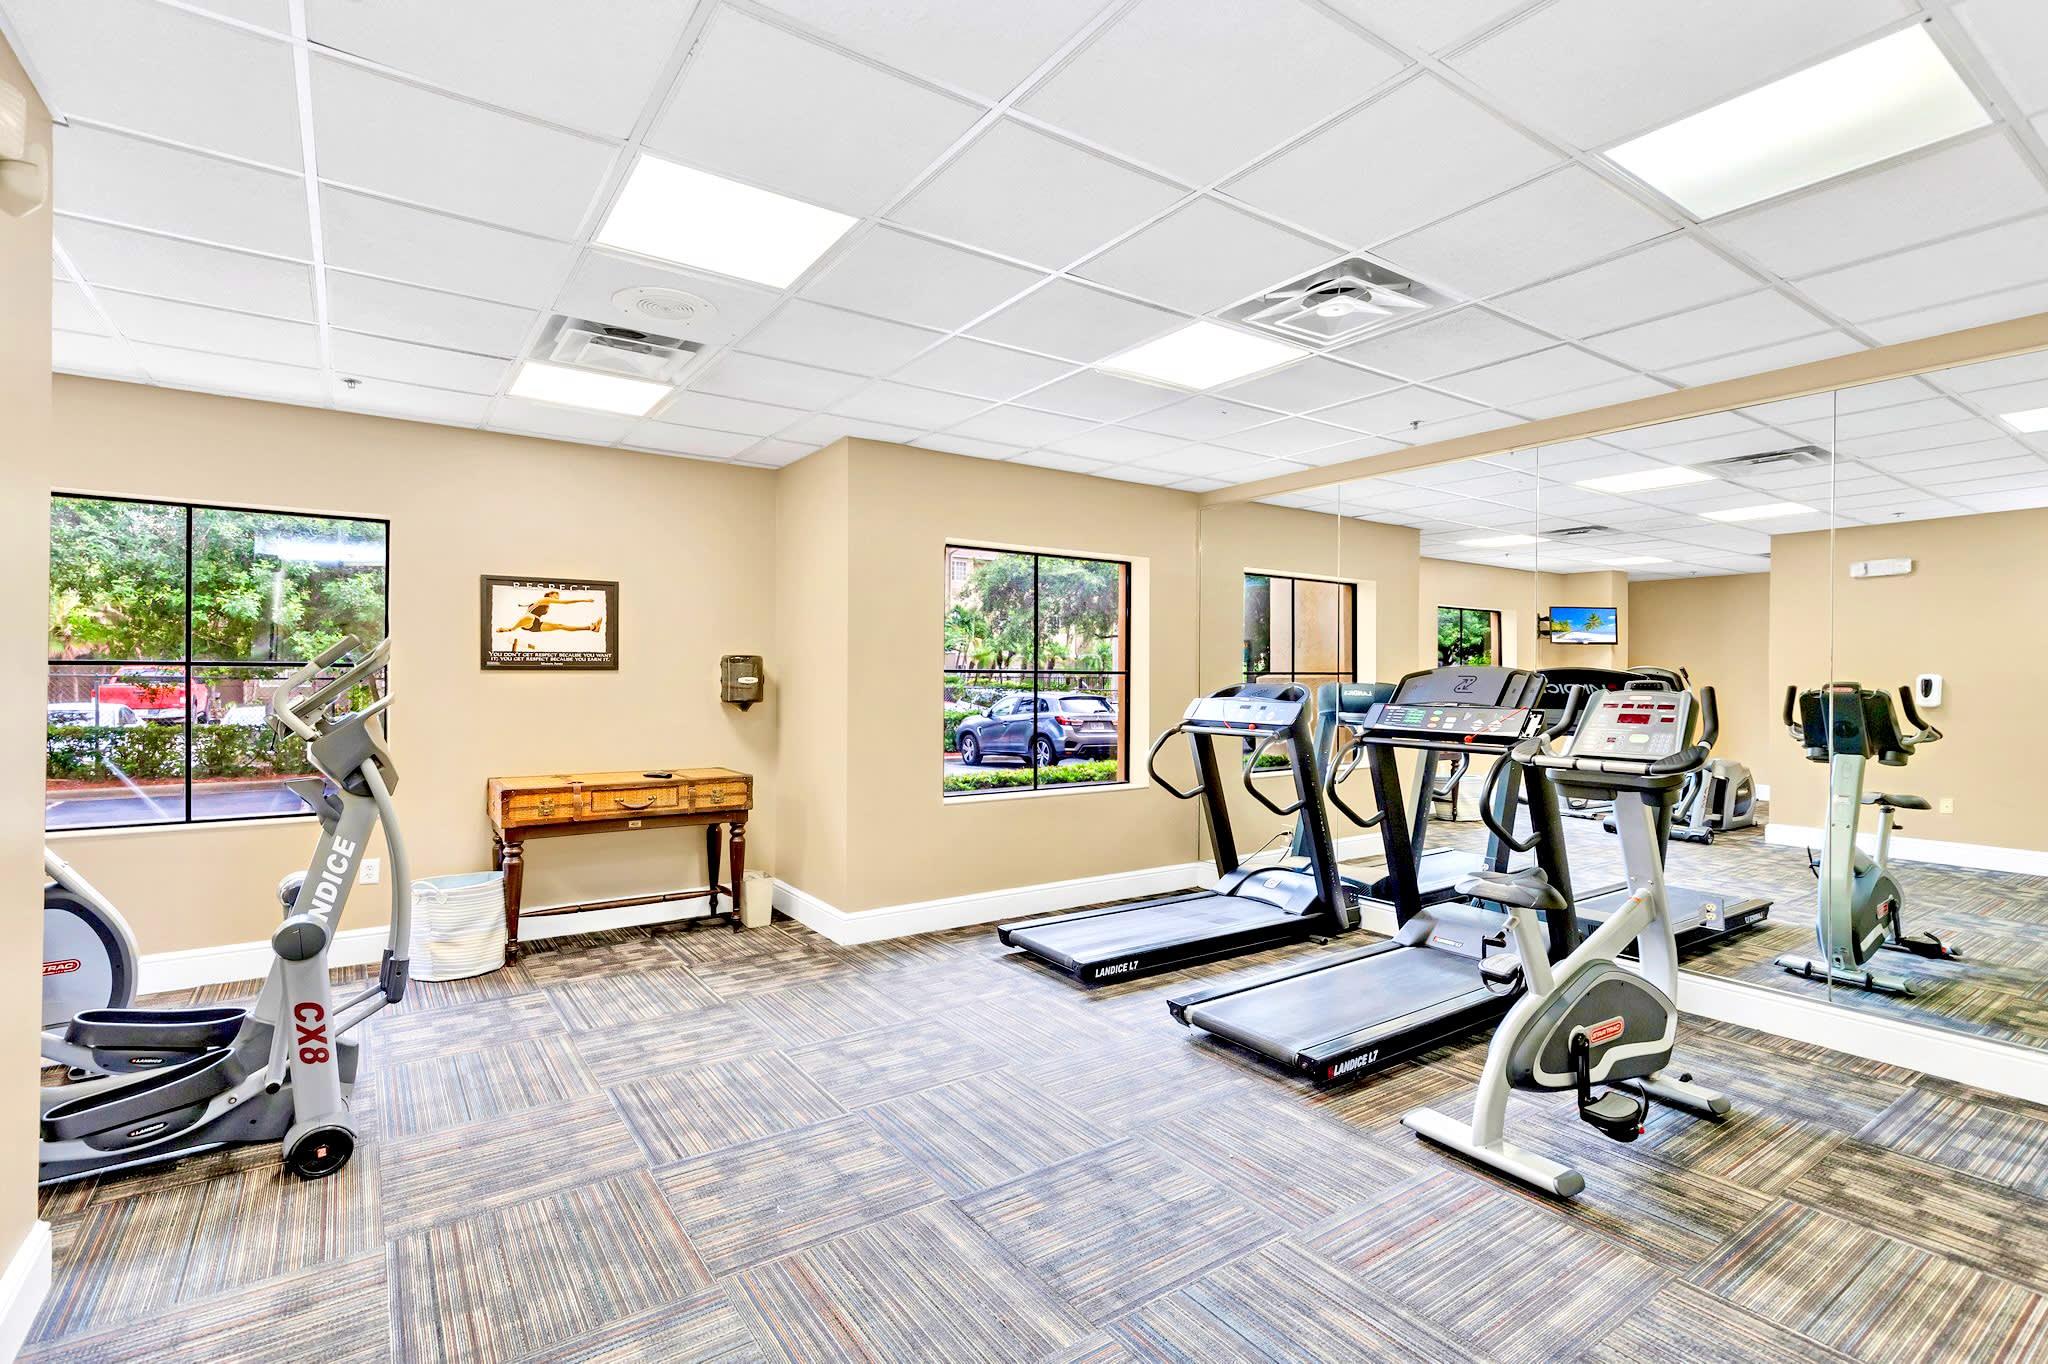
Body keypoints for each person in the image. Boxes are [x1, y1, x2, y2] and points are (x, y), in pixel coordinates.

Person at [496, 590, 603, 637]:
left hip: (536, 624)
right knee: (529, 617)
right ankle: (510, 629)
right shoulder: (545, 599)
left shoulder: (545, 603)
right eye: (557, 595)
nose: (558, 598)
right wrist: (584, 600)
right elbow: (565, 603)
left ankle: (592, 628)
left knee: (560, 626)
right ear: (551, 594)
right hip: (528, 621)